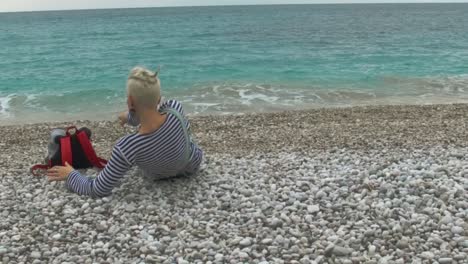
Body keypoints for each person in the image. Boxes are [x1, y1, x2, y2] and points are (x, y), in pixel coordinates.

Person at [46, 66, 203, 197]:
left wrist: (71, 175)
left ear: (130, 101)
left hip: (160, 175)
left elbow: (97, 189)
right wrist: (129, 116)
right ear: (159, 97)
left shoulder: (127, 146)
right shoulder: (175, 108)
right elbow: (150, 112)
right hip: (192, 165)